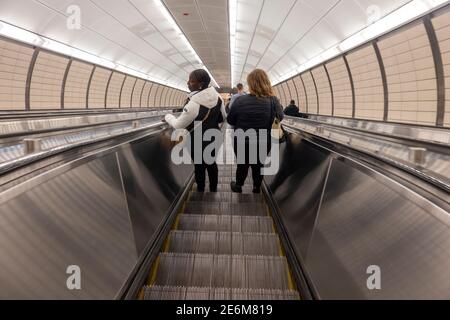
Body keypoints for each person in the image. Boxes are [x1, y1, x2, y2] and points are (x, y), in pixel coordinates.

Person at [165, 69, 227, 193]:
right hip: (214, 135)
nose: (188, 83)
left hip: (197, 138)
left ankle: (201, 189)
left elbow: (178, 125)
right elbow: (223, 117)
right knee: (211, 163)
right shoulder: (218, 97)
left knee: (199, 165)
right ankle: (213, 189)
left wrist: (168, 117)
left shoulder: (194, 103)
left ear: (200, 84)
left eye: (192, 81)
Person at [227, 69, 284, 194]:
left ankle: (238, 185)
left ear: (250, 84)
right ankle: (256, 187)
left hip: (242, 139)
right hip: (264, 139)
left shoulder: (240, 101)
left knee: (242, 163)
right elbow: (280, 117)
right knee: (259, 164)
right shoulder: (273, 101)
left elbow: (230, 120)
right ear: (267, 82)